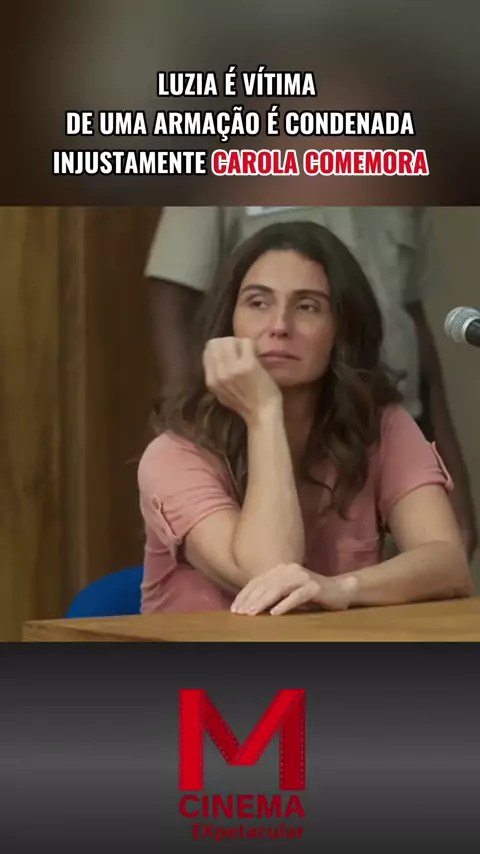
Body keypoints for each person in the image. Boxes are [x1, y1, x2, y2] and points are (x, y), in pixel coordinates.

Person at [138, 221, 472, 615]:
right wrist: (264, 414)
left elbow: (448, 563)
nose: (279, 326)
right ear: (229, 322)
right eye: (258, 303)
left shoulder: (383, 428)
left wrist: (342, 588)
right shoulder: (174, 454)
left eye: (308, 306)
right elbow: (270, 574)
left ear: (341, 330)